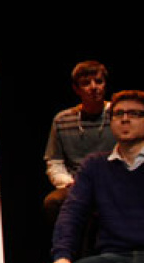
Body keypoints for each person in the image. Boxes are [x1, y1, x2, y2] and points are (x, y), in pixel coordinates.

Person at [39, 90, 144, 263]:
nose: (125, 119)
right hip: (114, 258)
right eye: (118, 114)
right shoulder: (95, 165)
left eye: (134, 114)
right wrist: (62, 256)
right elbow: (72, 213)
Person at [41, 60, 116, 225]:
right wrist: (68, 182)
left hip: (114, 181)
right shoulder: (62, 119)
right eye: (86, 83)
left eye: (99, 81)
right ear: (76, 89)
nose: (93, 87)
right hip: (78, 184)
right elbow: (54, 161)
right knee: (53, 202)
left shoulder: (118, 114)